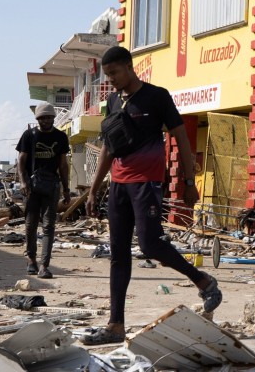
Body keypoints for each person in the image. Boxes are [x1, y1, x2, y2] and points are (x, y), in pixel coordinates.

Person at [83, 45, 222, 345]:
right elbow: (108, 145)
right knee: (118, 255)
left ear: (130, 67)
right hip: (119, 185)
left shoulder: (157, 96)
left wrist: (188, 180)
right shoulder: (113, 100)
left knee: (150, 244)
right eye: (107, 76)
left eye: (115, 73)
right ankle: (115, 325)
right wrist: (94, 190)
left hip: (146, 183)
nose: (112, 80)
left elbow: (181, 136)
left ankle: (204, 281)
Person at [17, 102, 71, 279]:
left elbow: (63, 164)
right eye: (43, 118)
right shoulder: (29, 135)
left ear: (53, 118)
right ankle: (31, 259)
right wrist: (23, 182)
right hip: (32, 188)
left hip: (52, 186)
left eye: (49, 117)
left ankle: (44, 265)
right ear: (37, 119)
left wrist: (66, 189)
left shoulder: (61, 137)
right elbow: (21, 161)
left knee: (49, 226)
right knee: (31, 225)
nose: (46, 120)